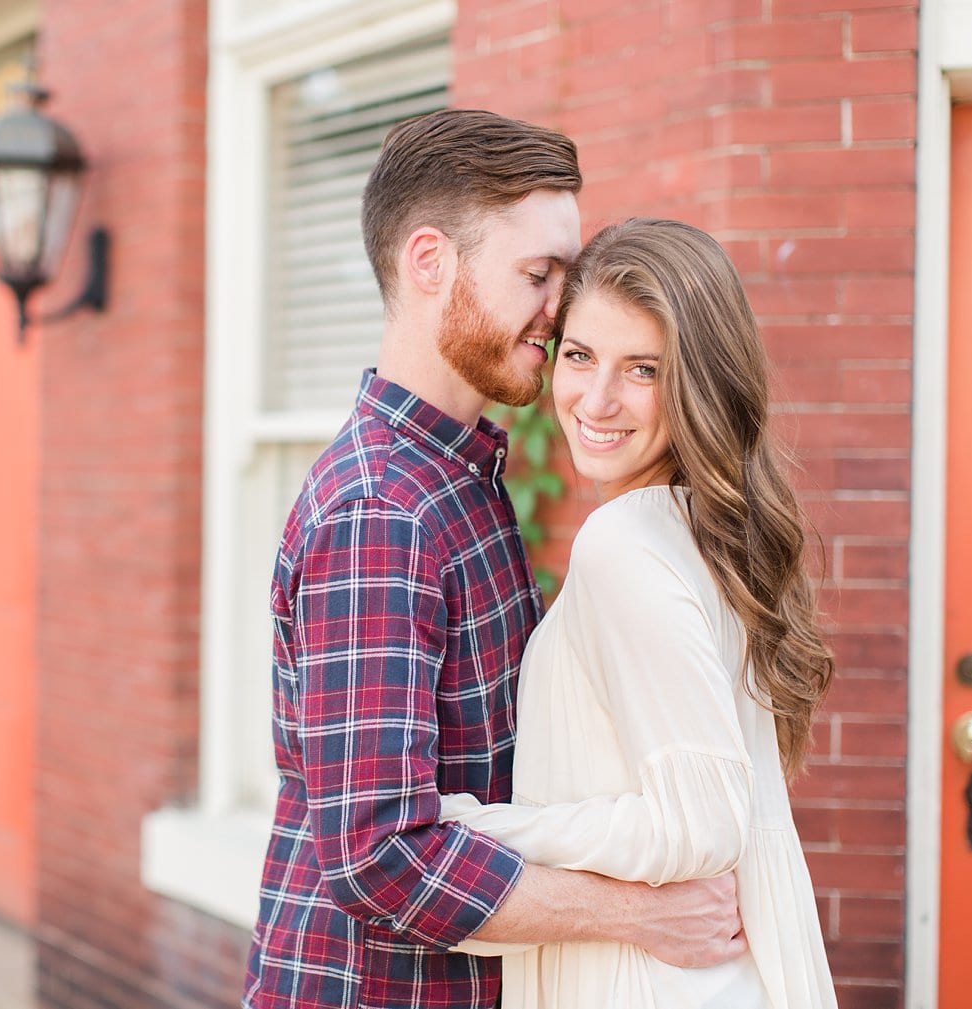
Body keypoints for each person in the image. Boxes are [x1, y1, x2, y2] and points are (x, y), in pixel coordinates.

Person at [243, 114, 746, 1009]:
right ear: (429, 262)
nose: (561, 308)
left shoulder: (456, 474)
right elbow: (378, 855)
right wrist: (634, 913)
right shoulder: (380, 512)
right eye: (538, 274)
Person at [438, 217, 839, 1007]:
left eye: (642, 369)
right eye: (580, 355)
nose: (596, 398)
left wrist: (477, 828)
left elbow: (701, 823)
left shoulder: (624, 541)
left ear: (698, 381)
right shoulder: (702, 528)